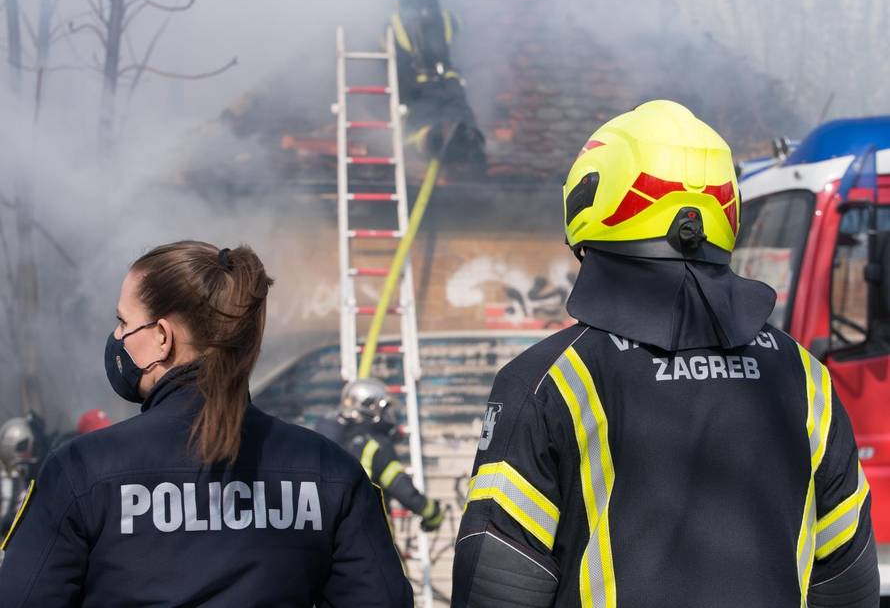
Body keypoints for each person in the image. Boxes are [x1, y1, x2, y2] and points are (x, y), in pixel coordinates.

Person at [451, 101, 879, 607]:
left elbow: (498, 584)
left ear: (592, 204)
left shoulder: (550, 382)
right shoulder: (805, 378)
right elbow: (847, 580)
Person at [0, 241, 412, 607]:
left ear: (162, 336)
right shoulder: (332, 472)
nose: (117, 336)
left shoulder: (79, 472)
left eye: (124, 322)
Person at [316, 378, 444, 533]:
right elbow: (401, 488)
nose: (388, 415)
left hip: (322, 532)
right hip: (366, 533)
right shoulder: (376, 445)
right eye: (384, 409)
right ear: (370, 408)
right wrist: (433, 514)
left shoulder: (324, 441)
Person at [389, 0, 486, 174]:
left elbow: (394, 62)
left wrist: (405, 91)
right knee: (462, 124)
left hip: (421, 89)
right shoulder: (447, 18)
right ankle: (460, 143)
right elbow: (461, 26)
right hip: (450, 84)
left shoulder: (394, 24)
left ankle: (439, 141)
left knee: (420, 129)